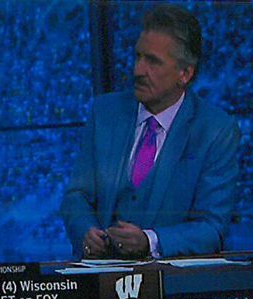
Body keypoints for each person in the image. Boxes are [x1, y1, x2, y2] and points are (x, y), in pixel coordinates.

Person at [61, 4, 239, 262]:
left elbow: (212, 229)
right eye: (138, 57)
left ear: (185, 73)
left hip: (169, 288)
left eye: (152, 62)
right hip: (99, 280)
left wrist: (149, 241)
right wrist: (86, 232)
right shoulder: (104, 113)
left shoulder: (215, 130)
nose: (138, 71)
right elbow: (76, 198)